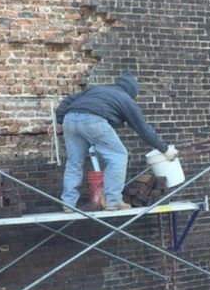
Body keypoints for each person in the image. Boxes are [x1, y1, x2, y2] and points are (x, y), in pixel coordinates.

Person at [55, 71, 178, 211]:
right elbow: (144, 130)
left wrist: (59, 121)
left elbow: (68, 100)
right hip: (93, 120)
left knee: (74, 163)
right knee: (118, 156)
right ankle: (113, 201)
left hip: (69, 119)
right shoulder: (126, 100)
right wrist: (165, 149)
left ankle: (68, 204)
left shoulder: (98, 89)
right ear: (132, 91)